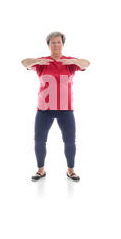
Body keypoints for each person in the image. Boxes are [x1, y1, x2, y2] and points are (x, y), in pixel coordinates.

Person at [21, 32, 90, 182]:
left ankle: (71, 170)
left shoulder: (70, 62)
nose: (56, 45)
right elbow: (24, 63)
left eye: (58, 42)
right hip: (44, 109)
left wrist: (75, 61)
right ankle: (40, 170)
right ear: (49, 45)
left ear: (62, 44)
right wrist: (38, 60)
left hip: (66, 109)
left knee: (70, 140)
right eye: (53, 43)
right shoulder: (42, 62)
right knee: (39, 140)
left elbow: (87, 64)